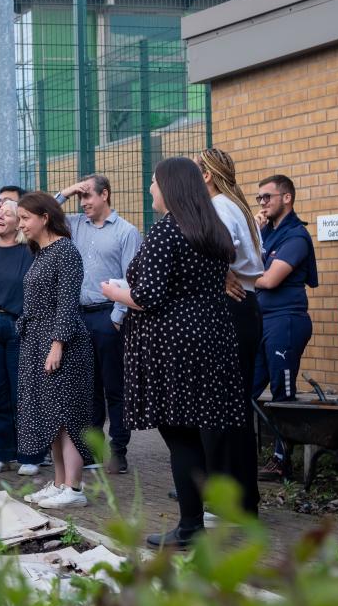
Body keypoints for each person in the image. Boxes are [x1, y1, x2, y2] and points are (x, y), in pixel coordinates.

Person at [101, 156, 244, 548]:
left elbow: (147, 295)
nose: (150, 189)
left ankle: (189, 527)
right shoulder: (211, 229)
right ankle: (197, 521)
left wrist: (114, 292)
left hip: (174, 345)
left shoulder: (168, 231)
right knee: (194, 434)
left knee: (180, 436)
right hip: (210, 338)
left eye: (153, 182)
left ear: (171, 187)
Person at [55, 175, 141, 473]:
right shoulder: (75, 224)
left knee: (115, 386)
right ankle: (92, 451)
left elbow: (132, 278)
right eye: (80, 198)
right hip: (79, 316)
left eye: (88, 196)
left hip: (109, 316)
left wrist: (117, 319)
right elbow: (45, 214)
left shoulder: (127, 232)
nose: (84, 203)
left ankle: (118, 450)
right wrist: (66, 192)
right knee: (87, 387)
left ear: (105, 195)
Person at [194, 148, 264, 514]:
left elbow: (215, 251)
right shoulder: (238, 207)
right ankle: (241, 501)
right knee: (234, 411)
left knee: (219, 410)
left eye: (195, 170)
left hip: (230, 310)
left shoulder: (219, 207)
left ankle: (226, 505)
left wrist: (219, 276)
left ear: (206, 175)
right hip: (245, 308)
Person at [15, 192, 93, 509]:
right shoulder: (42, 252)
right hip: (37, 340)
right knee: (50, 417)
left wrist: (57, 345)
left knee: (67, 414)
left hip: (63, 344)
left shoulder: (65, 252)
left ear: (44, 217)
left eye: (25, 218)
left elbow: (67, 303)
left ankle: (74, 488)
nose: (21, 224)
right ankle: (60, 482)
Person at [251, 174, 319, 481]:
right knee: (247, 387)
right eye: (259, 198)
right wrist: (255, 233)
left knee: (282, 393)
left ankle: (282, 460)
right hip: (262, 321)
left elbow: (269, 279)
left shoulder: (295, 237)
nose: (262, 203)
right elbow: (253, 266)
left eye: (268, 197)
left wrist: (240, 275)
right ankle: (242, 454)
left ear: (287, 198)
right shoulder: (266, 234)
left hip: (286, 322)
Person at [0, 199, 41, 475]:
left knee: (23, 393)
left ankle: (30, 454)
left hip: (19, 326)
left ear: (21, 221)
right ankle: (0, 451)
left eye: (9, 213)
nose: (2, 216)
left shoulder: (29, 250)